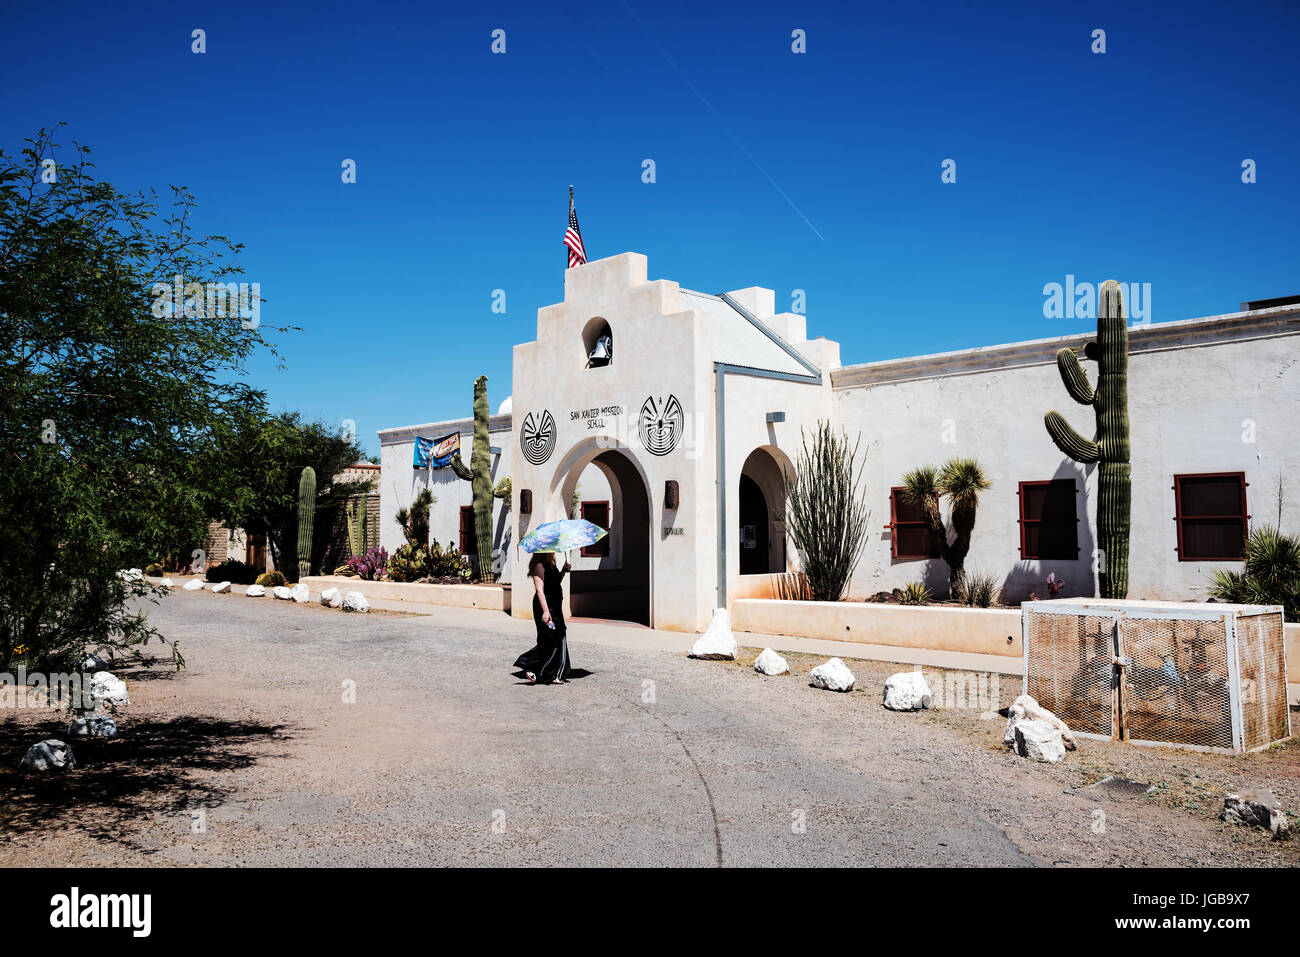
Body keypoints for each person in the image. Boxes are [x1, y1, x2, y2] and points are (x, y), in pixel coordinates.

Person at [513, 552, 577, 684]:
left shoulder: (550, 565)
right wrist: (546, 611)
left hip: (555, 605)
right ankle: (531, 666)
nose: (552, 551)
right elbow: (540, 590)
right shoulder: (539, 566)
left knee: (557, 636)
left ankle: (551, 673)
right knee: (549, 637)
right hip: (546, 607)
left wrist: (564, 570)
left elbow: (554, 583)